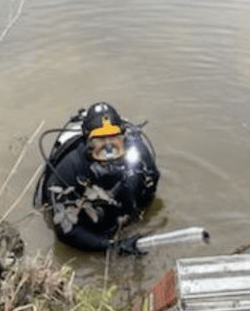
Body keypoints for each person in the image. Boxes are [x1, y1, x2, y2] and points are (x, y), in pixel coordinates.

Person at [36, 101, 159, 255]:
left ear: (123, 136)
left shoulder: (136, 148)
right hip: (90, 223)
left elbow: (152, 182)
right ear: (87, 141)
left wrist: (140, 222)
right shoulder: (69, 167)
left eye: (114, 137)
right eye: (100, 139)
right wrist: (112, 246)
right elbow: (66, 231)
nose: (108, 146)